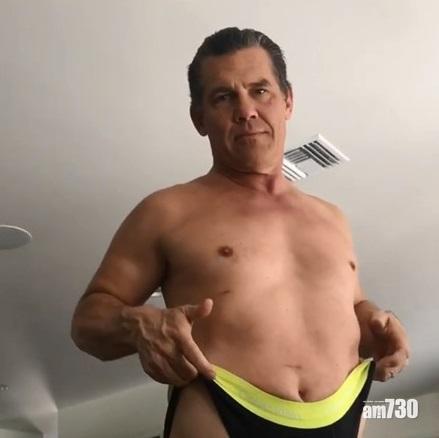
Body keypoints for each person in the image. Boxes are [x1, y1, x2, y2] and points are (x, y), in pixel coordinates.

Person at [71, 27, 410, 437]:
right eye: (223, 97)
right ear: (199, 118)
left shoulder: (332, 218)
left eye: (260, 91)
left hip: (344, 411)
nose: (246, 110)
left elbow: (352, 304)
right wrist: (137, 323)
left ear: (288, 100)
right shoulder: (166, 211)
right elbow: (87, 323)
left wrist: (378, 322)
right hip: (223, 408)